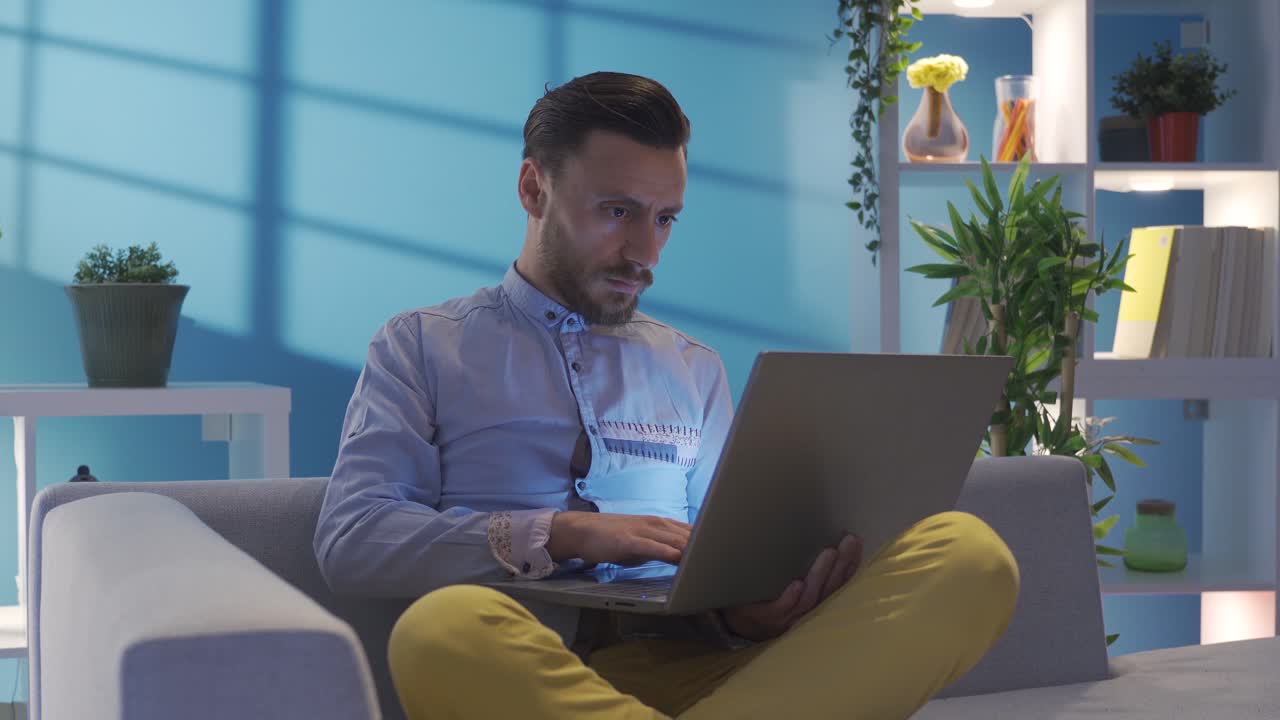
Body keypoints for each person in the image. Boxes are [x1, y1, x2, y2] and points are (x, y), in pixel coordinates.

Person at [314, 71, 1019, 720]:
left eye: (664, 218)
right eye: (617, 211)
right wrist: (560, 533)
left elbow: (726, 564)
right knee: (441, 631)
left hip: (706, 672)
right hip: (526, 669)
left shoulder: (694, 368)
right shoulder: (419, 346)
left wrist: (751, 609)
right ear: (534, 189)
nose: (645, 252)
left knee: (970, 556)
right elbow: (352, 539)